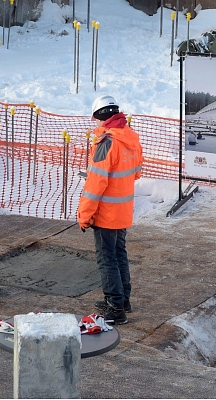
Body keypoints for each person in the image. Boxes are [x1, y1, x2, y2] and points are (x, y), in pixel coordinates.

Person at [77, 95, 143, 325]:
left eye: (95, 119)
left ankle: (115, 306)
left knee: (107, 259)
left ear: (101, 117)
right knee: (119, 253)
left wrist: (85, 215)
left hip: (106, 212)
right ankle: (123, 299)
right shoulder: (130, 137)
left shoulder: (106, 143)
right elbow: (136, 172)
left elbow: (95, 184)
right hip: (123, 209)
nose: (94, 124)